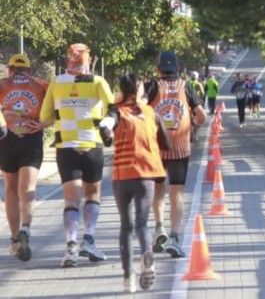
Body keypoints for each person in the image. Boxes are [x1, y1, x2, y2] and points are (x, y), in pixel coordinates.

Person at [39, 43, 115, 267]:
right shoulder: (98, 82)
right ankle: (88, 240)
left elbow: (45, 116)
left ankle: (70, 247)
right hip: (92, 145)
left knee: (71, 199)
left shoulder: (56, 83)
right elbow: (113, 108)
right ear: (88, 61)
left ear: (67, 60)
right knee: (92, 196)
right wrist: (106, 124)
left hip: (66, 148)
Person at [99, 73, 172, 293]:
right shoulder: (151, 112)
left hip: (122, 176)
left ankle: (128, 278)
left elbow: (105, 125)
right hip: (146, 175)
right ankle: (146, 256)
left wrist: (107, 135)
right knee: (141, 224)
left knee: (126, 226)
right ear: (139, 90)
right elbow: (167, 143)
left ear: (122, 90)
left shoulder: (116, 111)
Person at [146, 51, 207, 258]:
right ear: (178, 68)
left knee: (158, 189)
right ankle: (174, 237)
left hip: (156, 146)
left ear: (158, 68)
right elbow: (202, 116)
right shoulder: (186, 86)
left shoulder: (152, 86)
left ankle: (159, 227)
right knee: (177, 193)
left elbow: (140, 110)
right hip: (180, 147)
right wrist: (190, 127)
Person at [0, 54, 46, 261]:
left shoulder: (2, 84)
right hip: (32, 139)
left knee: (10, 188)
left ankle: (14, 238)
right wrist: (44, 125)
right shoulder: (42, 85)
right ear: (29, 70)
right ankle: (25, 228)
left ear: (9, 69)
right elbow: (57, 109)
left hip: (7, 139)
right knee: (27, 188)